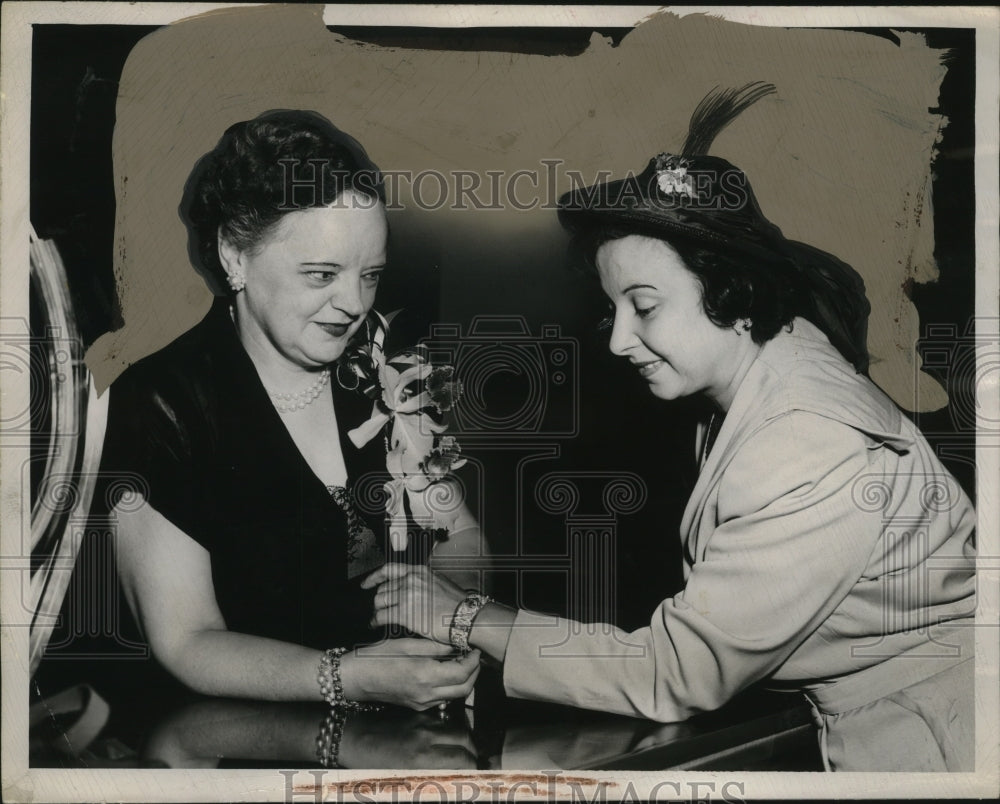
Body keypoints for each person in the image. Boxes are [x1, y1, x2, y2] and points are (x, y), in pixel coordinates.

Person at [365, 84, 978, 770]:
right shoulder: (763, 366)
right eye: (613, 308)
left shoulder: (806, 443)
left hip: (935, 735)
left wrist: (462, 616)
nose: (618, 340)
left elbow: (676, 674)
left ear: (729, 293)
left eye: (645, 307)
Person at [101, 110, 482, 710]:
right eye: (321, 274)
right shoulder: (159, 403)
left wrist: (440, 619)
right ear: (234, 256)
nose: (354, 304)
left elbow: (461, 535)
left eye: (371, 275)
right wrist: (349, 677)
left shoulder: (381, 371)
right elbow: (186, 641)